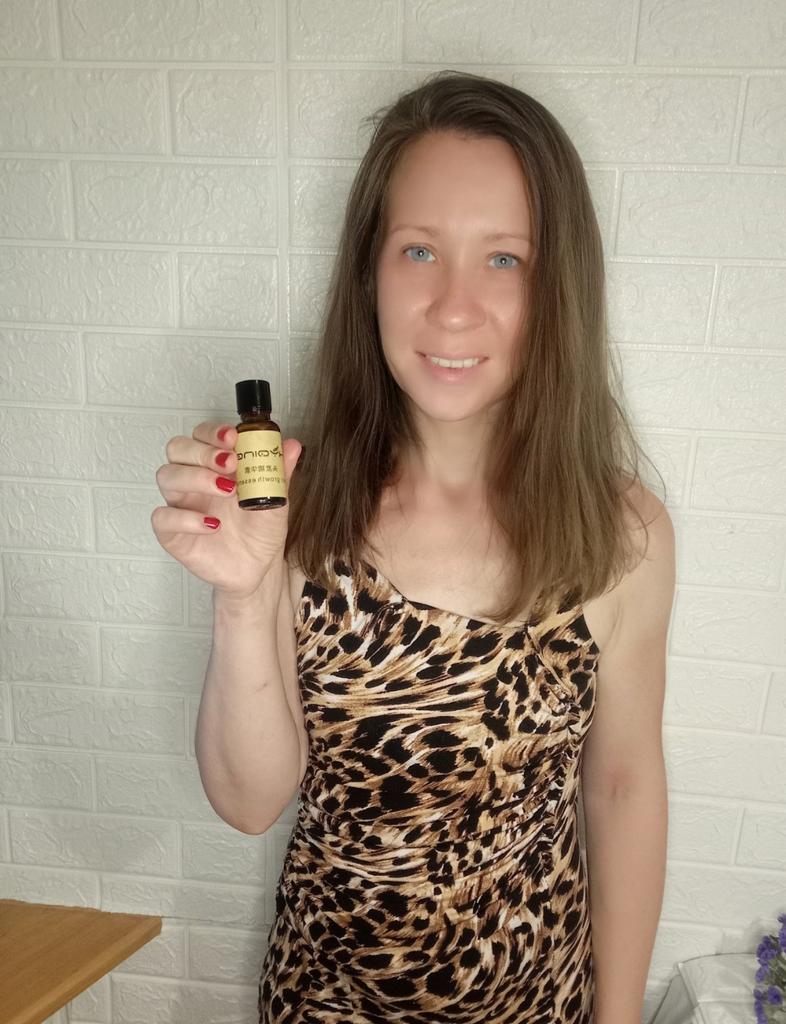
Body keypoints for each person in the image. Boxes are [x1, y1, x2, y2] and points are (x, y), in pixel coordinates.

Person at [152, 70, 674, 1024]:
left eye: (504, 259)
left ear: (558, 287)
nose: (453, 306)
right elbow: (249, 802)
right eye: (420, 250)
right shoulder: (295, 507)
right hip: (323, 1004)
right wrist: (243, 592)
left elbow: (625, 783)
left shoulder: (622, 535)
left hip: (541, 1004)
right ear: (370, 272)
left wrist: (620, 1017)